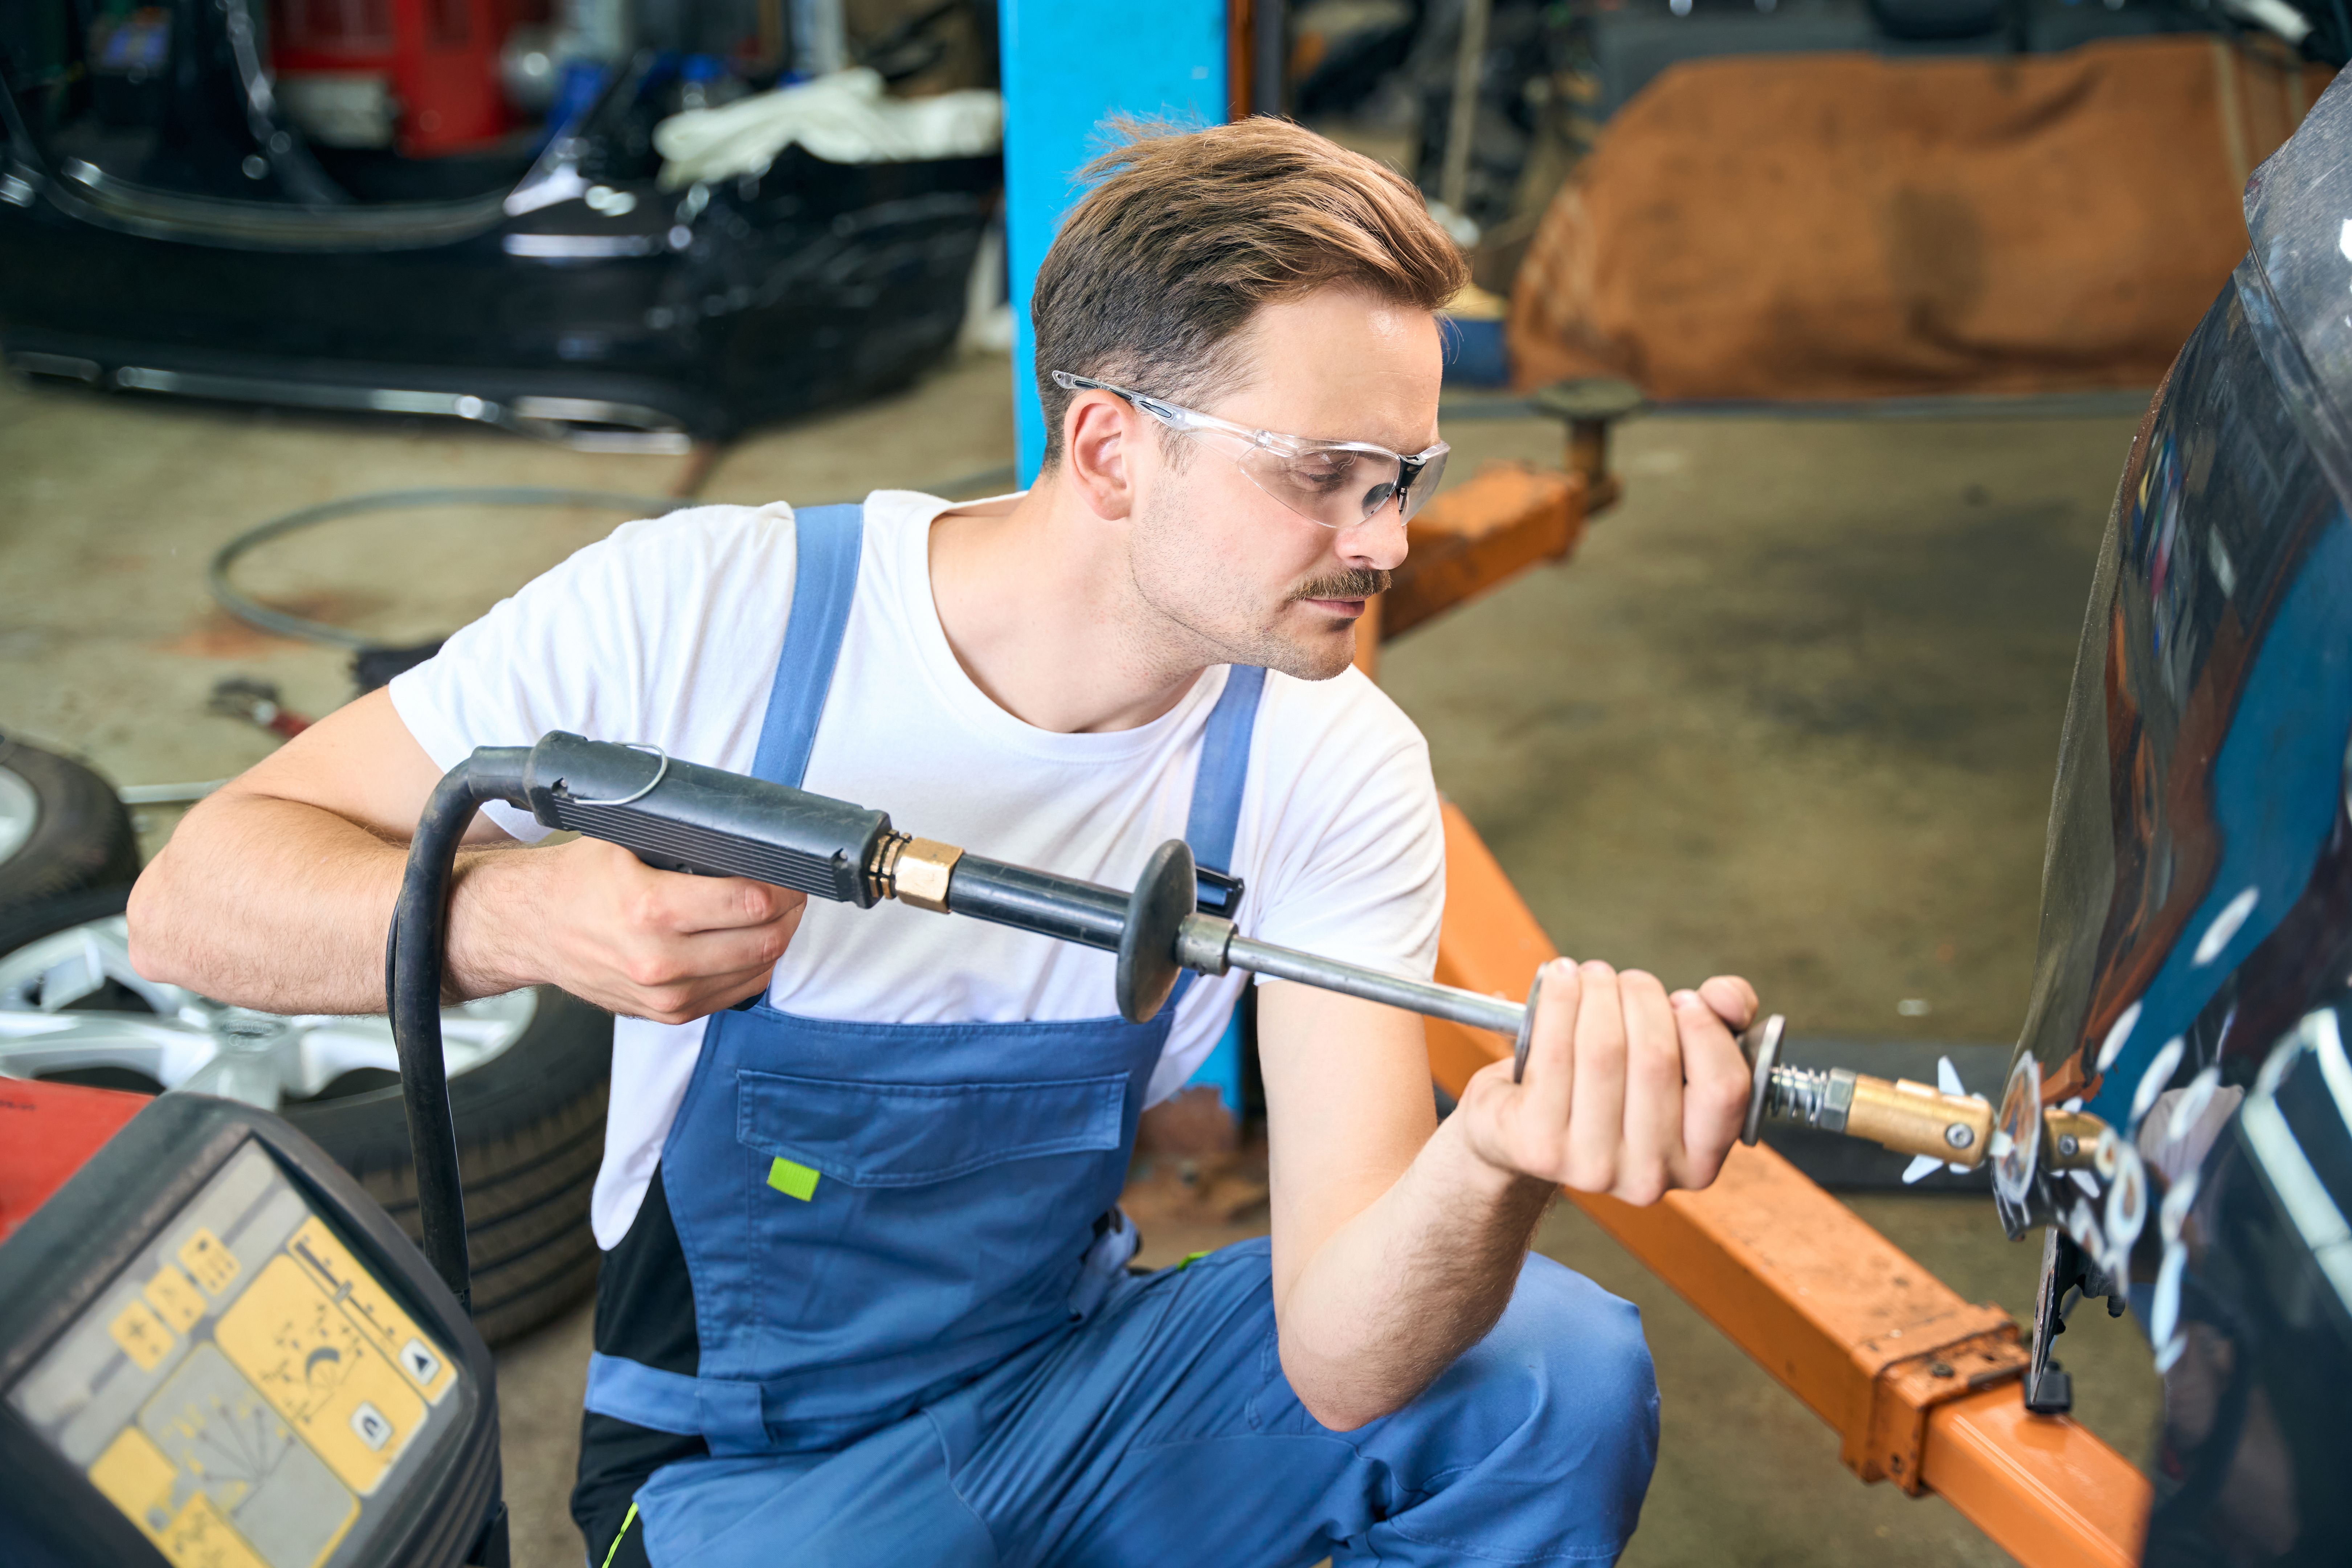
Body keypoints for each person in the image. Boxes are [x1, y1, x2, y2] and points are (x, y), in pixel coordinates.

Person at [130, 117, 1758, 1567]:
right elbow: (192, 906)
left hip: (1069, 1383)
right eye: (1325, 477)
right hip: (745, 1483)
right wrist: (515, 918)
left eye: (1405, 478)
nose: (1387, 541)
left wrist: (1490, 1163)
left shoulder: (1330, 760)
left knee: (1553, 1375)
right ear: (1114, 447)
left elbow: (1341, 1352)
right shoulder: (715, 616)